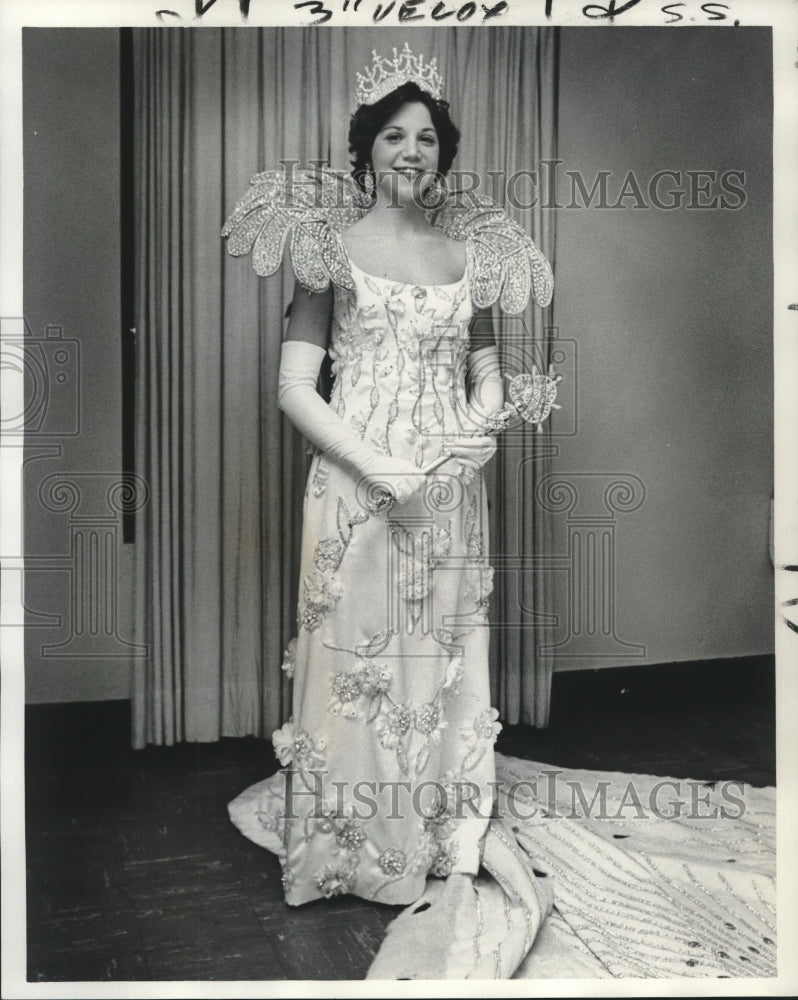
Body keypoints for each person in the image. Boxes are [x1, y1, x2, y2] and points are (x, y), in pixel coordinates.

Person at [223, 46, 553, 918]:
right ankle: (353, 853)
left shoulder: (466, 252)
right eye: (396, 136)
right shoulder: (326, 249)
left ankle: (441, 835)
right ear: (367, 148)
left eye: (429, 138)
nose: (414, 151)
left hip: (448, 491)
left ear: (444, 154)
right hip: (358, 493)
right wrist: (382, 464)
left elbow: (484, 362)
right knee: (359, 671)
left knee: (441, 661)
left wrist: (485, 417)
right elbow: (295, 387)